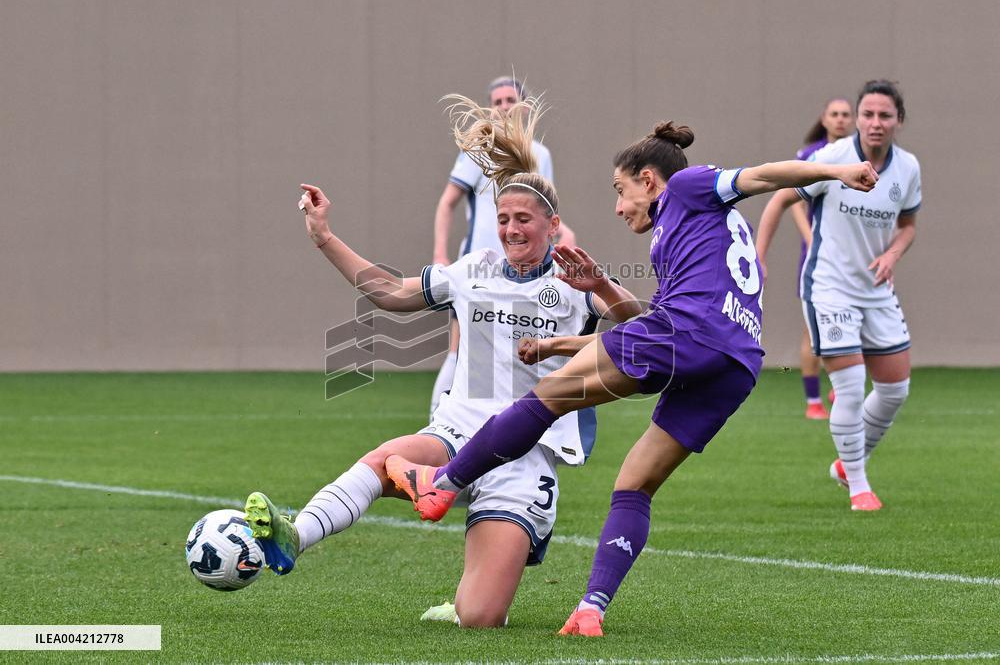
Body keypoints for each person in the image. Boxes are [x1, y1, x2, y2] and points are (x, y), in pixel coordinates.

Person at [386, 103, 878, 636]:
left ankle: (443, 483)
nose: (620, 207)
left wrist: (838, 170)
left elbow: (761, 176)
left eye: (621, 190)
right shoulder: (686, 235)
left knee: (545, 398)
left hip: (688, 335)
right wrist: (568, 333)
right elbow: (646, 329)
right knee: (634, 484)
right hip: (736, 363)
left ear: (649, 180)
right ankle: (591, 608)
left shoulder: (687, 187)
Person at [244, 100, 639, 628]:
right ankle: (297, 535)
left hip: (524, 454)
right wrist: (324, 238)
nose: (511, 229)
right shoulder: (473, 270)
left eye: (524, 219)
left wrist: (603, 286)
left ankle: (442, 493)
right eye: (502, 219)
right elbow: (389, 292)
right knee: (383, 457)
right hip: (460, 427)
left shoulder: (574, 281)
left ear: (553, 224)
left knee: (478, 618)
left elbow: (643, 325)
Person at [750, 80, 920, 512]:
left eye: (885, 115)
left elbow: (907, 225)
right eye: (868, 114)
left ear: (898, 120)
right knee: (848, 386)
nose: (875, 123)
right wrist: (758, 257)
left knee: (895, 390)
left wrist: (894, 255)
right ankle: (859, 486)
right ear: (857, 118)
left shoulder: (908, 168)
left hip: (876, 290)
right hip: (829, 287)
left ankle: (848, 463)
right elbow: (780, 200)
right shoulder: (832, 158)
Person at [429, 76, 576, 419]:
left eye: (510, 99)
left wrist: (563, 233)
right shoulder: (481, 150)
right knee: (463, 346)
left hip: (525, 272)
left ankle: (504, 428)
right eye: (497, 102)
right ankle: (440, 421)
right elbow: (447, 202)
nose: (504, 106)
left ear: (523, 107)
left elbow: (542, 208)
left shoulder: (540, 155)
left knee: (516, 354)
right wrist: (440, 252)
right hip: (483, 269)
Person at [756, 98, 854, 420]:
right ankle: (814, 400)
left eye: (845, 114)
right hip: (818, 255)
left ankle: (840, 386)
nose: (840, 120)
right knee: (812, 328)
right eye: (834, 114)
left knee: (849, 320)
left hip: (849, 254)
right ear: (824, 119)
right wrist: (810, 237)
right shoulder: (812, 156)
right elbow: (792, 200)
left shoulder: (858, 155)